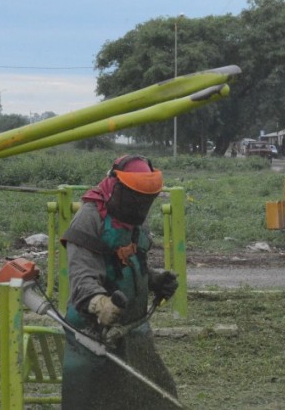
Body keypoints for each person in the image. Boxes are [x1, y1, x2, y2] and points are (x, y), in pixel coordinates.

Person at [60, 155, 180, 410]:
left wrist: (155, 280)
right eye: (135, 197)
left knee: (159, 398)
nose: (140, 206)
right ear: (116, 186)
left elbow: (134, 264)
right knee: (97, 401)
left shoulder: (135, 221)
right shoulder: (89, 219)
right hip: (92, 334)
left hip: (135, 330)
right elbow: (82, 278)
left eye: (145, 200)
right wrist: (100, 304)